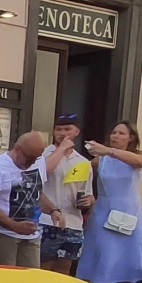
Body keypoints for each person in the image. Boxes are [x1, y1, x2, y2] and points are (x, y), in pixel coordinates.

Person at [76, 121, 142, 283]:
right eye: (114, 132)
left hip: (129, 215)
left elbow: (138, 162)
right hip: (105, 214)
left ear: (130, 138)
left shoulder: (137, 156)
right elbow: (80, 173)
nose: (116, 136)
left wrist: (109, 150)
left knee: (129, 264)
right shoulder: (100, 161)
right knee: (104, 262)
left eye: (121, 133)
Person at [0, 131, 61, 269]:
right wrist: (14, 226)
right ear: (17, 149)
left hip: (31, 233)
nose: (33, 162)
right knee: (7, 279)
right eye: (29, 158)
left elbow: (36, 193)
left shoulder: (37, 162)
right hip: (3, 233)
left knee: (31, 279)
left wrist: (53, 210)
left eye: (37, 158)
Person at [39, 115, 94, 274]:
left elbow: (87, 191)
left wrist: (88, 201)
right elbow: (43, 172)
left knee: (63, 271)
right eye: (59, 129)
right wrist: (62, 148)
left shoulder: (83, 162)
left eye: (67, 129)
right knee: (44, 269)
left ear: (76, 131)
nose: (63, 133)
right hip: (46, 221)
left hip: (73, 224)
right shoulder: (44, 155)